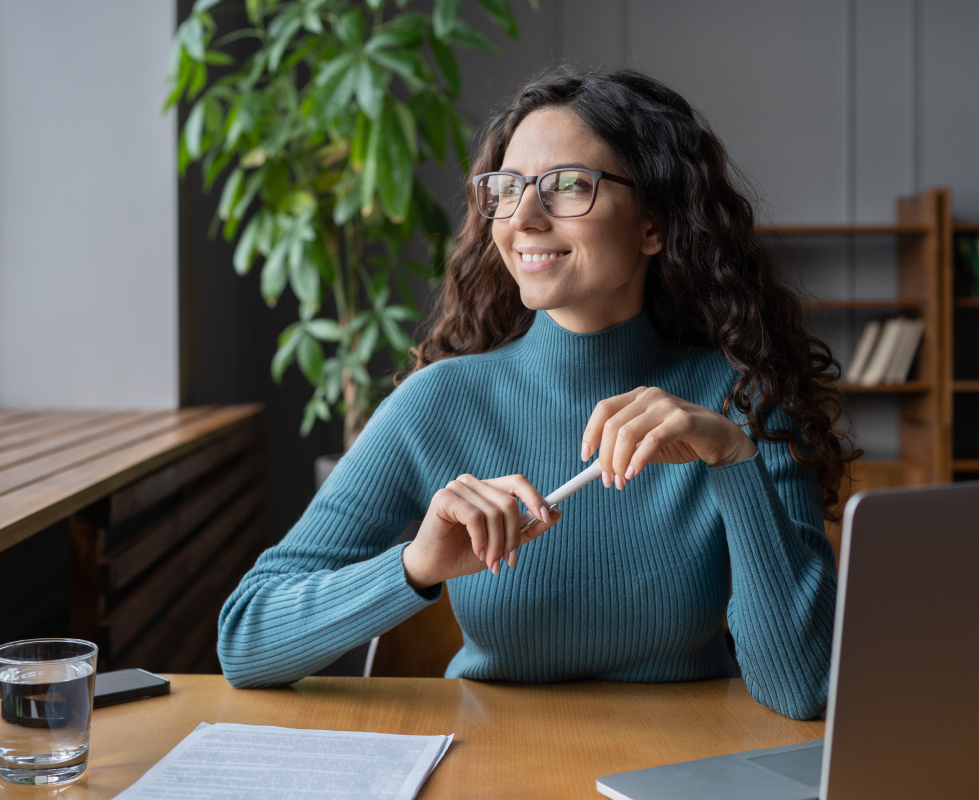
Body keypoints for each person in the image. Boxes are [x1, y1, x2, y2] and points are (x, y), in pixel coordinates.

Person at [217, 67, 856, 721]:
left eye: (569, 185)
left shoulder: (743, 401)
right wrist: (416, 564)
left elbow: (803, 688)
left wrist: (733, 460)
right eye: (508, 188)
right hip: (488, 771)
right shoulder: (438, 403)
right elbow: (246, 639)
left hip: (683, 772)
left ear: (654, 226)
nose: (523, 216)